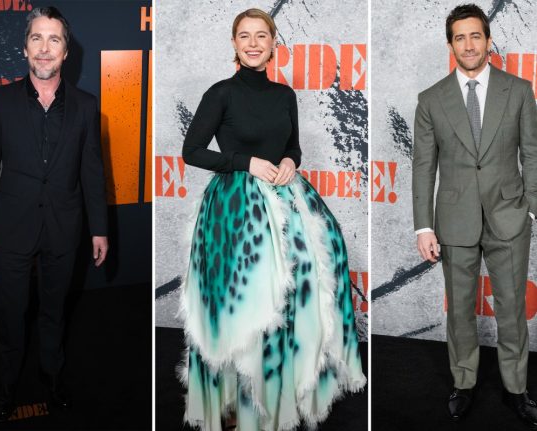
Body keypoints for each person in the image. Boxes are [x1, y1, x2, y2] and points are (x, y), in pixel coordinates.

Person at [178, 7, 366, 431]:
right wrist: (245, 162)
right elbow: (192, 151)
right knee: (247, 301)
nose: (253, 43)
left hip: (287, 198)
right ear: (234, 43)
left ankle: (282, 389)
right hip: (235, 208)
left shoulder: (285, 95)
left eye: (261, 36)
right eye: (244, 36)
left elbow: (293, 147)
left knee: (299, 288)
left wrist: (289, 161)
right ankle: (235, 398)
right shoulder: (221, 93)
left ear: (273, 43)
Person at [412, 3, 537, 427]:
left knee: (512, 309)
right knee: (460, 309)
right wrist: (424, 226)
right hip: (454, 221)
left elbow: (532, 154)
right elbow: (423, 167)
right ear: (450, 45)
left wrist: (531, 210)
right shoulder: (431, 99)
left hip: (510, 218)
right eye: (460, 38)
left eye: (475, 36)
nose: (468, 45)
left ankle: (516, 389)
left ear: (488, 40)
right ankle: (463, 383)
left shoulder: (518, 91)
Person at [0, 6, 108, 422]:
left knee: (54, 312)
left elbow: (92, 171)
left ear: (66, 51)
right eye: (36, 38)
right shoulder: (0, 101)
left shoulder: (86, 106)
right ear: (24, 48)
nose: (44, 47)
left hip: (63, 227)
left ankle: (52, 379)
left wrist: (99, 229)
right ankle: (6, 385)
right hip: (11, 226)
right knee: (10, 315)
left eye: (53, 39)